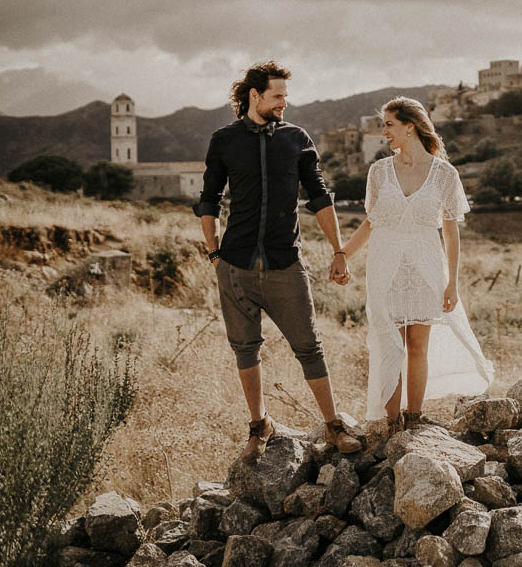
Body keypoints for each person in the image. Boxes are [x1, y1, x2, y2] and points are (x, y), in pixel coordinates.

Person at [194, 61, 361, 463]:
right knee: (245, 348)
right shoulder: (224, 140)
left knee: (309, 347)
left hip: (286, 263)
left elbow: (320, 197)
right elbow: (209, 198)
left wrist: (339, 250)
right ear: (255, 96)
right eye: (278, 96)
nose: (285, 103)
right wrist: (214, 251)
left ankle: (333, 425)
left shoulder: (297, 139)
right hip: (235, 265)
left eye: (285, 96)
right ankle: (259, 424)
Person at [342, 97, 494, 433]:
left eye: (389, 125)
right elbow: (371, 223)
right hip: (386, 268)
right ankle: (391, 420)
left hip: (427, 267)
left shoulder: (445, 175)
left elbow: (452, 234)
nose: (385, 132)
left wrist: (451, 282)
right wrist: (343, 254)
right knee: (389, 344)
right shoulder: (379, 172)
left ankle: (413, 418)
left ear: (410, 126)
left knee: (417, 346)